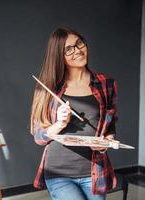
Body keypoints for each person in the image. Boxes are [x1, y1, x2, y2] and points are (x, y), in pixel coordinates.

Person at [30, 28, 118, 200]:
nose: (78, 50)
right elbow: (38, 138)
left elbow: (111, 124)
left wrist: (106, 142)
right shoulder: (47, 88)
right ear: (58, 55)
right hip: (58, 172)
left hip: (94, 171)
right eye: (68, 49)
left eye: (79, 43)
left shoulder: (106, 83)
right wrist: (59, 124)